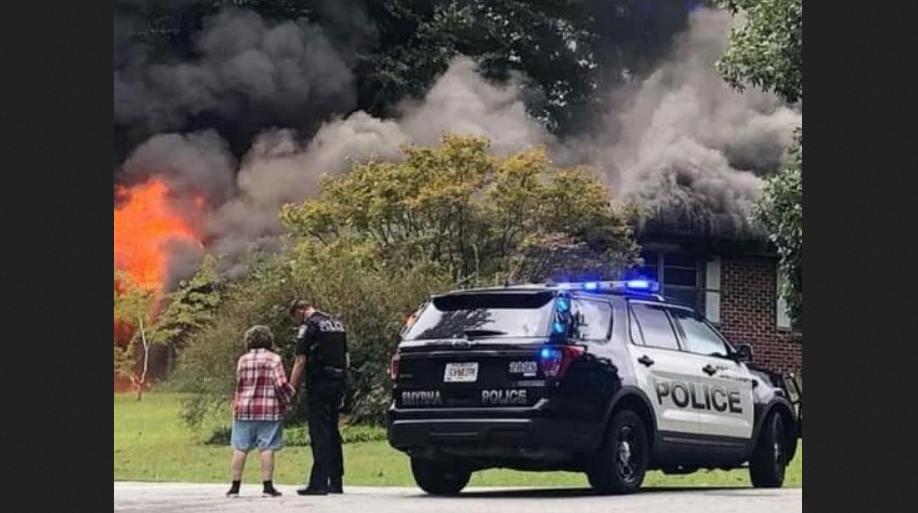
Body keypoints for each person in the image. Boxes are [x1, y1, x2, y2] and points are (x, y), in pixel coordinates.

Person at [226, 326, 295, 498]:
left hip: (243, 409)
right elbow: (280, 385)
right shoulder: (274, 360)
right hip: (269, 409)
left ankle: (234, 487)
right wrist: (288, 399)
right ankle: (267, 487)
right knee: (267, 447)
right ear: (269, 340)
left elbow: (239, 384)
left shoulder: (243, 360)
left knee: (240, 448)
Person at [289, 299, 349, 496]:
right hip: (338, 381)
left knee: (320, 432)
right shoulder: (336, 324)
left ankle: (319, 483)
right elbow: (346, 356)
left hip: (319, 383)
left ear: (300, 310)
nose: (298, 323)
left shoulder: (310, 327)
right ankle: (336, 480)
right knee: (332, 430)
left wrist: (292, 390)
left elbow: (300, 360)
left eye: (296, 318)